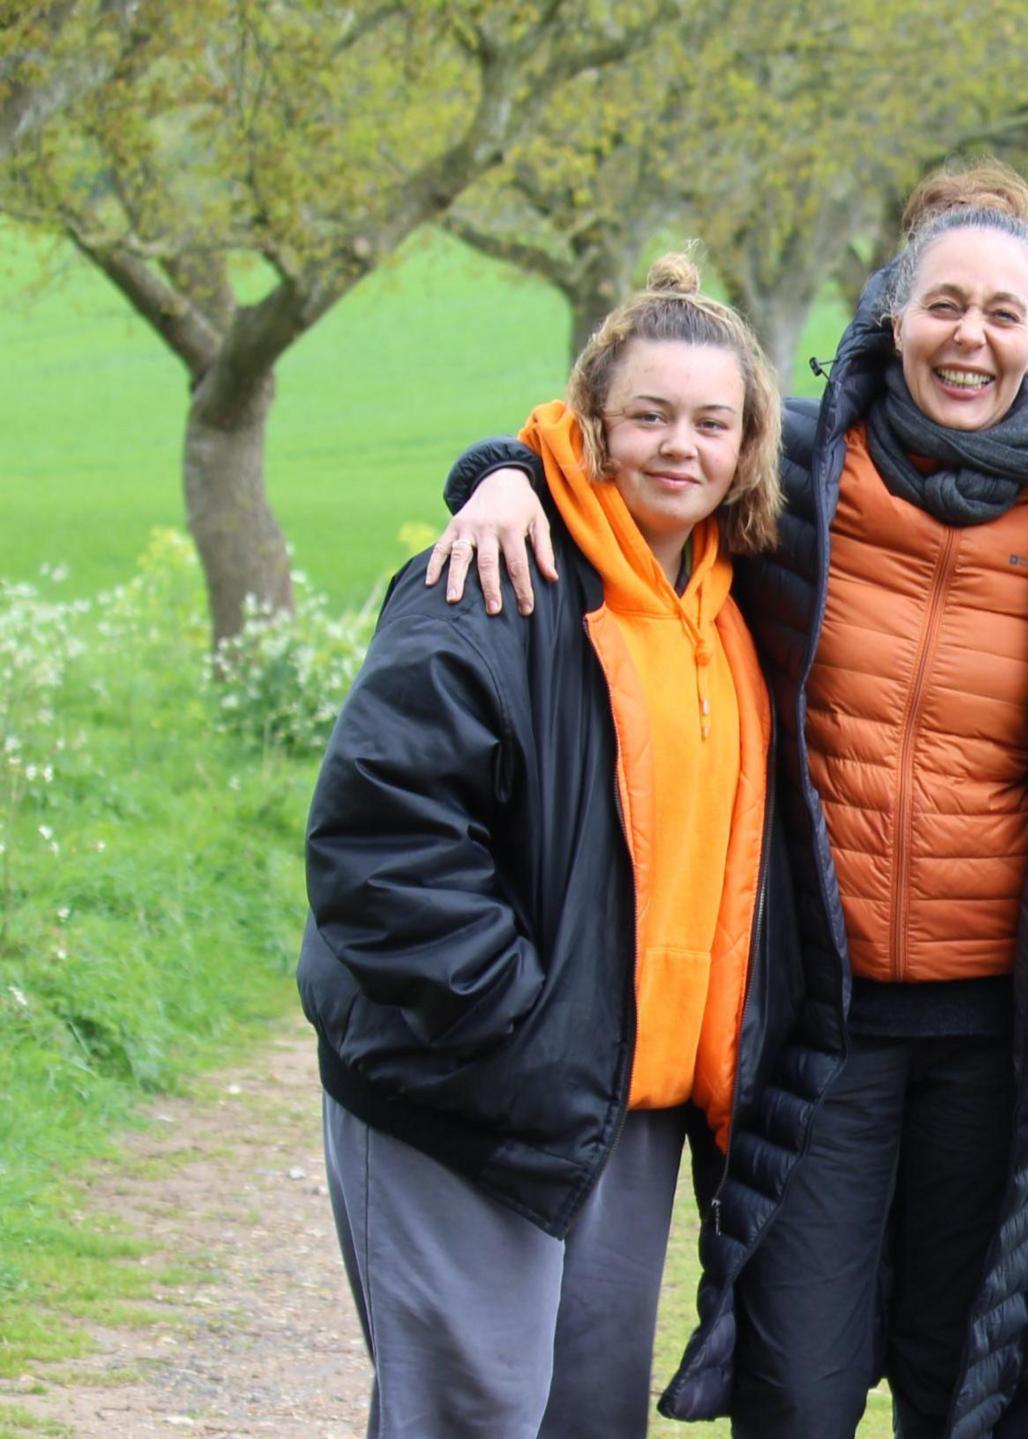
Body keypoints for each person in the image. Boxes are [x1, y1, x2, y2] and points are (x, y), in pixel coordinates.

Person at [430, 164, 1028, 1439]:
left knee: (961, 1378)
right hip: (825, 1015)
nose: (969, 338)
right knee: (795, 1382)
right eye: (944, 306)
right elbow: (642, 454)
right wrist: (501, 473)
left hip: (1006, 1025)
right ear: (891, 316)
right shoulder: (798, 477)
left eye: (1003, 315)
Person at [301, 254, 786, 1437]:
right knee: (472, 1415)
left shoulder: (734, 607)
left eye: (711, 422)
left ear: (748, 446)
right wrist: (512, 1023)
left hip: (630, 1105)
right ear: (593, 429)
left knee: (582, 1419)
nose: (681, 444)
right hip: (471, 1081)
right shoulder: (490, 580)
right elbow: (379, 836)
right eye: (650, 416)